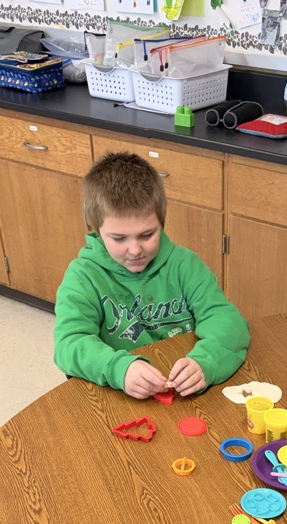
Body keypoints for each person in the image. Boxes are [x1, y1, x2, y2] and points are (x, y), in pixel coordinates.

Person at [54, 152, 249, 400]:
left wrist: (207, 361)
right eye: (119, 238)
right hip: (120, 398)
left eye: (147, 235)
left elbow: (227, 321)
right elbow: (69, 344)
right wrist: (120, 369)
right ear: (96, 228)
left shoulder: (184, 265)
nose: (135, 250)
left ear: (162, 222)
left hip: (187, 396)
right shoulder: (83, 276)